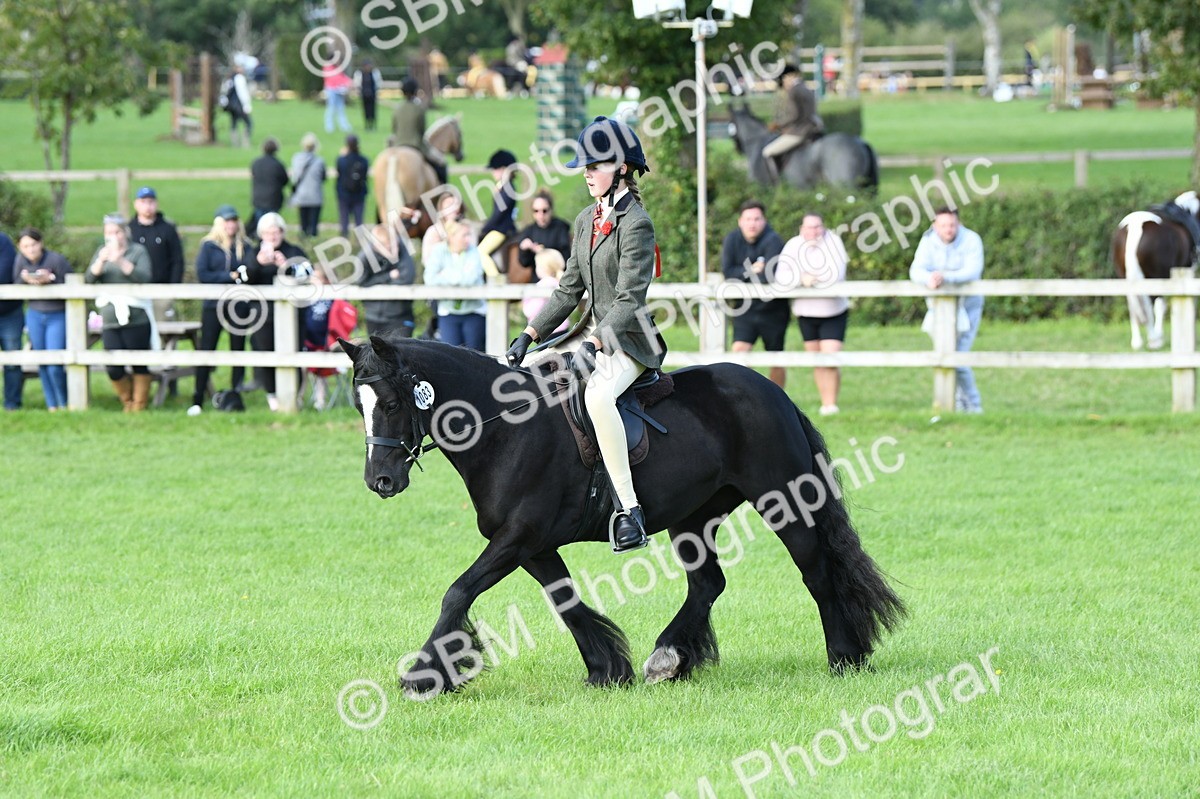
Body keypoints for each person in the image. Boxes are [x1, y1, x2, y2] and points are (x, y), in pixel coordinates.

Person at [505, 116, 666, 554]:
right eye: (586, 167)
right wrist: (530, 333)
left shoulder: (636, 223)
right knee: (530, 374)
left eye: (595, 166)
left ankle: (630, 511)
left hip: (629, 340)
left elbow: (630, 298)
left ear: (622, 169)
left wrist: (595, 344)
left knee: (597, 396)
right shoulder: (585, 219)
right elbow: (568, 289)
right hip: (589, 334)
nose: (587, 173)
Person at [910, 207, 985, 414]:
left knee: (959, 357)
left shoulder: (971, 239)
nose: (948, 229)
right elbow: (916, 270)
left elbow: (973, 271)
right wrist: (929, 278)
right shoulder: (928, 240)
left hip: (968, 307)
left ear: (958, 224)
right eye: (943, 225)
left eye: (952, 225)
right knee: (946, 355)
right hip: (939, 309)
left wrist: (945, 277)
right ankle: (959, 404)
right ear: (935, 226)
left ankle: (974, 406)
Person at [776, 213, 849, 415]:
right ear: (802, 229)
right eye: (809, 227)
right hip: (806, 312)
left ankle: (831, 404)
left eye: (817, 227)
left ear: (823, 227)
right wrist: (801, 278)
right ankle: (824, 402)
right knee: (816, 359)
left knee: (830, 358)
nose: (814, 231)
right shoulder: (793, 245)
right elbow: (781, 276)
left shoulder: (834, 241)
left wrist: (814, 278)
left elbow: (837, 273)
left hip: (833, 310)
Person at [84, 214, 155, 412]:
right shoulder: (101, 252)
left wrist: (121, 261)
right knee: (113, 366)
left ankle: (139, 404)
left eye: (117, 232)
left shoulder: (137, 251)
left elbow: (145, 277)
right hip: (110, 318)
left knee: (138, 362)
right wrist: (100, 262)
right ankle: (127, 401)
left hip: (136, 317)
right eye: (109, 232)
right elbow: (89, 279)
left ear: (125, 233)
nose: (113, 236)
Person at [190, 205, 254, 416]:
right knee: (207, 349)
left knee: (238, 349)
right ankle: (198, 398)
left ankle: (235, 395)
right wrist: (230, 276)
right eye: (227, 221)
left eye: (234, 220)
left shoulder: (245, 246)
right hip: (213, 305)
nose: (231, 225)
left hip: (239, 305)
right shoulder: (209, 246)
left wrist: (237, 277)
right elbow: (203, 274)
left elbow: (250, 272)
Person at [720, 200, 787, 388]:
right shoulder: (732, 239)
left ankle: (777, 398)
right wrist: (751, 270)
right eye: (748, 219)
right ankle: (744, 396)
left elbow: (768, 276)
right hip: (744, 308)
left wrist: (743, 274)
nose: (752, 223)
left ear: (764, 220)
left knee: (776, 358)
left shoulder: (773, 240)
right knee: (739, 353)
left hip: (773, 309)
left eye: (757, 219)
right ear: (740, 221)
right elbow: (728, 273)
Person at [249, 212, 308, 411]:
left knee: (295, 352)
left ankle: (294, 395)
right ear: (261, 234)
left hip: (293, 315)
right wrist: (258, 263)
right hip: (262, 315)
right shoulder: (253, 252)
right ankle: (272, 395)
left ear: (282, 232)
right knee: (266, 353)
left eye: (276, 232)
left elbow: (309, 273)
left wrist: (285, 266)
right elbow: (243, 278)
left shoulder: (293, 250)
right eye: (268, 233)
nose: (272, 236)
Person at [13, 227, 71, 411]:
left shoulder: (56, 259)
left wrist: (50, 279)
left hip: (56, 313)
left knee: (54, 362)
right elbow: (16, 283)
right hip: (34, 314)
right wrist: (26, 280)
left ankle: (64, 402)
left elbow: (70, 282)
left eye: (33, 244)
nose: (30, 249)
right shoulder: (20, 261)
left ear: (41, 243)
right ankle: (51, 404)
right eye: (25, 246)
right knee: (42, 361)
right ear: (20, 247)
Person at [423, 220, 485, 350]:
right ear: (451, 236)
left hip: (474, 311)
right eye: (464, 235)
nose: (468, 239)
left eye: (469, 234)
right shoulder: (439, 250)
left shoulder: (473, 251)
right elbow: (429, 278)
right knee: (450, 353)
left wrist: (445, 274)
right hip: (448, 312)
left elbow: (471, 279)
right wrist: (461, 275)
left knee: (475, 355)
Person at [128, 186, 184, 325]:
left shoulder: (167, 229)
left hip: (162, 289)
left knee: (163, 327)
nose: (147, 206)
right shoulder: (129, 229)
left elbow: (177, 260)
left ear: (156, 203)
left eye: (151, 202)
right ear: (136, 204)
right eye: (143, 202)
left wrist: (173, 287)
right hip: (135, 290)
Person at [762, 64, 824, 181]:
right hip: (814, 128)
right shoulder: (807, 88)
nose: (784, 82)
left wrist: (777, 124)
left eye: (784, 79)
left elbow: (793, 115)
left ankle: (776, 183)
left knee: (767, 152)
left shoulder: (793, 91)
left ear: (789, 76)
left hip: (799, 132)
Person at [358, 223, 416, 337]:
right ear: (376, 245)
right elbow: (362, 282)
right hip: (374, 316)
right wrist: (388, 276)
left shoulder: (402, 249)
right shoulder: (365, 256)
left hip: (400, 315)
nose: (391, 248)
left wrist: (376, 282)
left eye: (392, 244)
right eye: (386, 246)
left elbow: (407, 278)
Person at [391, 77, 447, 185]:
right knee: (441, 163)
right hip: (415, 145)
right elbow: (421, 131)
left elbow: (394, 129)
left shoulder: (397, 109)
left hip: (398, 144)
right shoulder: (419, 109)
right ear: (415, 91)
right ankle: (443, 189)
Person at [477, 149, 519, 277]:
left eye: (495, 169)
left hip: (502, 229)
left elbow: (499, 213)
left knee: (480, 252)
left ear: (504, 169)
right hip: (500, 226)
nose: (493, 172)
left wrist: (485, 228)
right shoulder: (502, 186)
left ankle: (495, 279)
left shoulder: (508, 188)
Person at [514, 189, 571, 281]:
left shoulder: (560, 228)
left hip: (558, 280)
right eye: (536, 211)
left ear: (551, 210)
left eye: (544, 211)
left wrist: (542, 251)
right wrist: (524, 250)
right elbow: (524, 263)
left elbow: (566, 258)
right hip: (538, 281)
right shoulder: (529, 231)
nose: (540, 215)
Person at [0, 231, 24, 410]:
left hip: (9, 312)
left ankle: (12, 403)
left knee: (13, 360)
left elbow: (4, 273)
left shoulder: (3, 242)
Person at [522, 248, 568, 335]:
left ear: (543, 268)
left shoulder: (544, 285)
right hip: (562, 328)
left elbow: (530, 311)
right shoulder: (559, 282)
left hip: (546, 331)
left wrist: (525, 301)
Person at [289, 133, 327, 239]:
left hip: (301, 195)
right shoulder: (319, 161)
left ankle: (304, 239)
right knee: (314, 225)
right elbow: (323, 177)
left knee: (303, 223)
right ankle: (312, 242)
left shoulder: (296, 158)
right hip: (315, 195)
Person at [249, 138, 289, 239]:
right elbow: (285, 180)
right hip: (273, 198)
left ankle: (260, 240)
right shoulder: (278, 164)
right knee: (272, 223)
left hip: (258, 198)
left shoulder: (256, 163)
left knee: (260, 224)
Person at [336, 134, 370, 236]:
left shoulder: (341, 160)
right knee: (359, 221)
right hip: (359, 194)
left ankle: (344, 238)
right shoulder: (364, 160)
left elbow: (339, 172)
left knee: (344, 220)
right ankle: (360, 240)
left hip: (344, 194)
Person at [220, 64, 253, 148]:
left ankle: (235, 143)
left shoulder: (229, 78)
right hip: (239, 105)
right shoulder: (239, 78)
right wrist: (246, 105)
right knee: (249, 123)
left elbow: (224, 92)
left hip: (231, 106)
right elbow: (242, 93)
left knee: (234, 123)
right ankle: (245, 142)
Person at [323, 64, 353, 134]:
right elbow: (333, 78)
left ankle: (344, 126)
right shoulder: (328, 67)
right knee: (331, 108)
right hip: (332, 90)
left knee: (341, 109)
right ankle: (329, 127)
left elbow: (342, 77)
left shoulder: (337, 67)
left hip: (339, 90)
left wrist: (348, 82)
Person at [353, 59, 383, 131]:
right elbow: (357, 84)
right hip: (364, 95)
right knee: (365, 111)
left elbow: (378, 83)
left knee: (372, 110)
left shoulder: (374, 73)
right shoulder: (360, 74)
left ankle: (372, 124)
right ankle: (367, 125)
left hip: (372, 95)